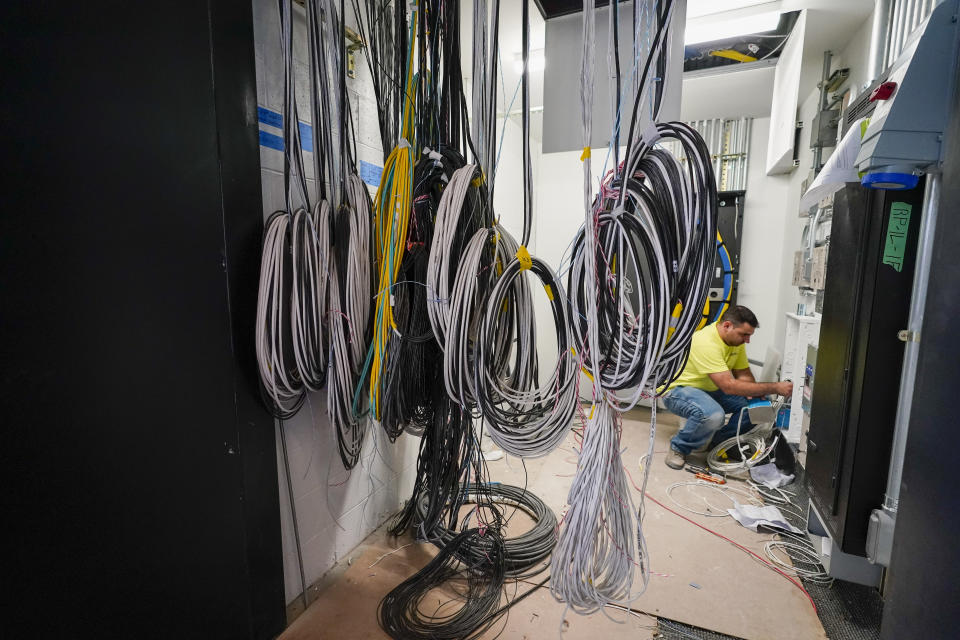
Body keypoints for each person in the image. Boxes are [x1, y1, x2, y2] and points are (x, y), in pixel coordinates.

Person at [661, 305, 792, 470]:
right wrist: (774, 387)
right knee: (714, 415)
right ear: (727, 326)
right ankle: (679, 448)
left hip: (710, 390)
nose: (747, 340)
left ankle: (719, 445)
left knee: (755, 409)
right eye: (744, 335)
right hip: (679, 391)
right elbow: (729, 386)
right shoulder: (706, 342)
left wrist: (754, 394)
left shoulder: (735, 342)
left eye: (749, 336)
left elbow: (743, 373)